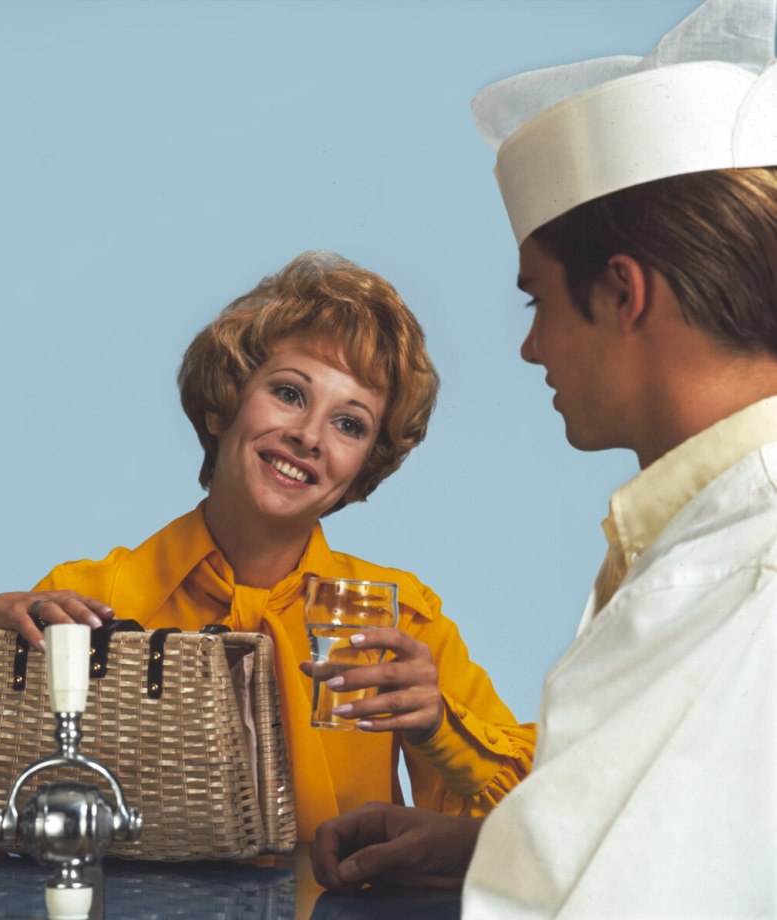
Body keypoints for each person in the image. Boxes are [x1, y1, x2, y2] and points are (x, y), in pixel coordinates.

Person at [311, 0, 777, 915]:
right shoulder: (709, 540)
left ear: (623, 292)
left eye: (537, 301)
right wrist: (487, 848)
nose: (531, 349)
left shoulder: (742, 572)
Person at [0, 250, 535, 843]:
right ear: (221, 405)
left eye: (349, 424)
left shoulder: (398, 623)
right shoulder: (85, 603)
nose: (308, 436)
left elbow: (539, 834)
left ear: (363, 471)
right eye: (289, 393)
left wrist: (440, 731)